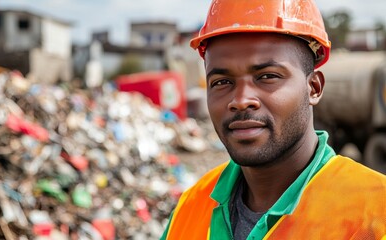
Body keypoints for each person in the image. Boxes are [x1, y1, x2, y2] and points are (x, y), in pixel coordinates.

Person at [160, 0, 386, 239]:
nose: (241, 100)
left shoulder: (374, 212)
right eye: (221, 82)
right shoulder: (191, 207)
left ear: (314, 88)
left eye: (267, 76)